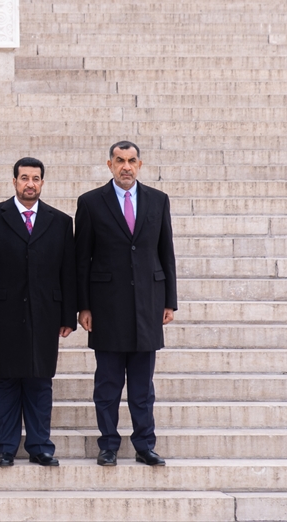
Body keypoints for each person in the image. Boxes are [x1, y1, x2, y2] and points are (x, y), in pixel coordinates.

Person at [76, 141, 177, 468]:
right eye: (119, 161)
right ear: (109, 164)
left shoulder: (158, 201)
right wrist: (84, 306)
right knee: (106, 385)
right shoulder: (91, 203)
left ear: (140, 164)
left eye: (131, 161)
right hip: (107, 309)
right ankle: (108, 445)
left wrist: (169, 301)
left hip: (148, 306)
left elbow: (166, 253)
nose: (126, 167)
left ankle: (145, 444)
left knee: (142, 388)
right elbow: (82, 260)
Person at [0, 157, 76, 467]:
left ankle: (40, 445)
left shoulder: (60, 221)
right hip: (2, 315)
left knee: (40, 381)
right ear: (14, 181)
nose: (30, 183)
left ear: (43, 183)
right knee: (5, 380)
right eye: (24, 178)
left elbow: (67, 271)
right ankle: (5, 447)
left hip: (46, 312)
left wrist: (67, 315)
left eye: (36, 178)